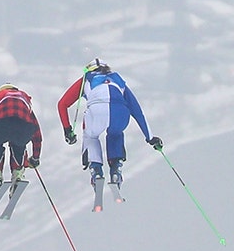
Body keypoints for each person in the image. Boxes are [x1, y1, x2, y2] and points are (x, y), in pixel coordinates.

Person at [57, 58, 161, 187]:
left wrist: (68, 130)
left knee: (90, 136)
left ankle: (96, 171)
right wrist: (150, 137)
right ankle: (116, 168)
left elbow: (62, 104)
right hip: (121, 114)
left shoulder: (86, 79)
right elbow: (137, 111)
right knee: (116, 134)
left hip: (97, 111)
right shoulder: (118, 80)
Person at [0, 84, 42, 190]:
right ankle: (18, 172)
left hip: (1, 126)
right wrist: (35, 158)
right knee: (19, 144)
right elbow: (37, 135)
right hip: (23, 128)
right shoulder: (25, 101)